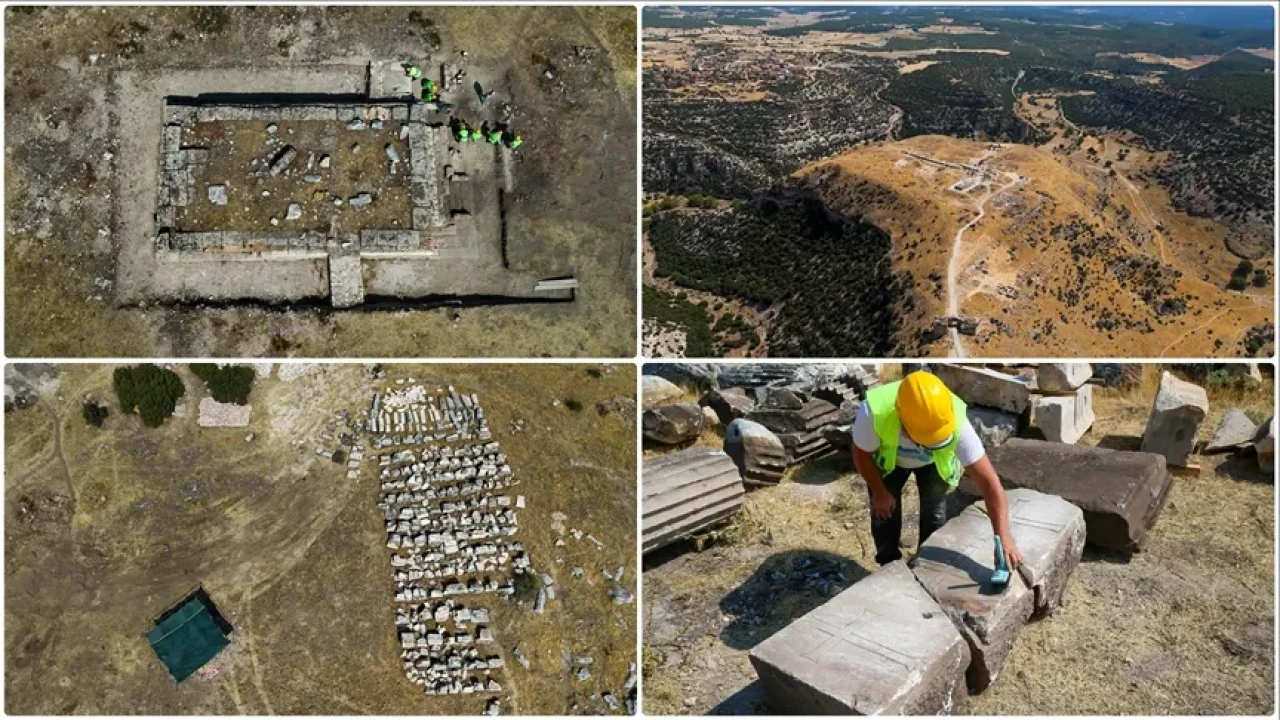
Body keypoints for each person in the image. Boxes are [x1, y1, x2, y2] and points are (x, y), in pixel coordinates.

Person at [851, 370, 1023, 570]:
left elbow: (989, 483)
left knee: (934, 516)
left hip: (934, 465)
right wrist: (879, 492)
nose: (931, 446)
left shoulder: (957, 422)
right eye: (926, 441)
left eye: (938, 440)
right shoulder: (874, 413)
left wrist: (1003, 537)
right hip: (889, 464)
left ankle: (925, 566)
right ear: (902, 421)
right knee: (884, 516)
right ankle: (889, 567)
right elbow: (861, 455)